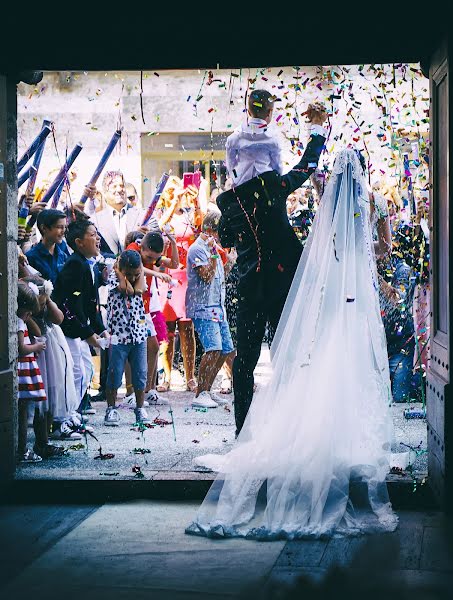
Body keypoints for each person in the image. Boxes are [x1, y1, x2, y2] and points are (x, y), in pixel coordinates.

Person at [186, 148, 398, 540]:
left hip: (257, 288)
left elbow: (236, 241)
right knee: (306, 360)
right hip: (313, 294)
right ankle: (338, 435)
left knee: (253, 364)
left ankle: (249, 433)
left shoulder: (232, 200)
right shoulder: (279, 188)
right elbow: (303, 174)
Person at [217, 103, 328, 436]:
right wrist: (318, 129)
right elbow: (306, 166)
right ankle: (287, 426)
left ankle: (243, 430)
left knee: (246, 362)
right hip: (280, 286)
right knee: (286, 355)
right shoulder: (274, 190)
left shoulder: (232, 202)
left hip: (249, 288)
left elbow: (225, 240)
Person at [52, 219, 110, 426]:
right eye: (93, 234)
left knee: (85, 371)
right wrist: (87, 333)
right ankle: (63, 419)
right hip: (68, 329)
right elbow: (69, 303)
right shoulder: (75, 264)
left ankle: (72, 412)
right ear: (79, 242)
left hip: (79, 329)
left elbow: (89, 303)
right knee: (73, 373)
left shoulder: (87, 264)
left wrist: (100, 330)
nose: (98, 239)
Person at [156, 177, 203, 392]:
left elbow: (200, 228)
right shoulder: (159, 214)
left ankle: (190, 376)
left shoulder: (188, 214)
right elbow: (160, 228)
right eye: (172, 189)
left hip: (186, 275)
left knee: (187, 327)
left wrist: (197, 202)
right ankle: (166, 376)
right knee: (167, 329)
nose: (177, 193)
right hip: (166, 275)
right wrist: (174, 204)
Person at [186, 212, 236, 408]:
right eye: (219, 231)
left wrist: (228, 261)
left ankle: (207, 389)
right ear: (210, 230)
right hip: (203, 308)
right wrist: (215, 255)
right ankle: (200, 394)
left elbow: (218, 275)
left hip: (218, 306)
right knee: (213, 349)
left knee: (224, 350)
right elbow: (206, 276)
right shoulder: (197, 249)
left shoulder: (213, 249)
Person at [127, 231, 179, 405]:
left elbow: (174, 264)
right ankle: (130, 392)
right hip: (130, 306)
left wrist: (172, 243)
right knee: (130, 350)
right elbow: (137, 267)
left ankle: (148, 390)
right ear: (142, 247)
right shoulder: (133, 249)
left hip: (145, 307)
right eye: (148, 256)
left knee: (154, 347)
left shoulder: (151, 255)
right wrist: (157, 274)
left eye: (154, 258)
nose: (151, 260)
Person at [17, 281, 64, 462]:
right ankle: (38, 442)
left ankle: (44, 439)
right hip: (34, 357)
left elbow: (59, 318)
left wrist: (48, 299)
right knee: (36, 402)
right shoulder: (22, 322)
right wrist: (29, 319)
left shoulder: (32, 311)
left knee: (50, 393)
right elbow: (33, 334)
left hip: (45, 351)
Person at [104, 250, 150, 425]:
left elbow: (138, 289)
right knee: (115, 372)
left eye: (135, 274)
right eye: (127, 274)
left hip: (138, 334)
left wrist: (137, 275)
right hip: (118, 335)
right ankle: (111, 408)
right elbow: (125, 289)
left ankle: (140, 407)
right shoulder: (113, 277)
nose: (131, 277)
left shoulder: (140, 277)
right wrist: (118, 273)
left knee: (140, 372)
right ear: (120, 269)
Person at [226, 89, 283, 187]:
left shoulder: (235, 138)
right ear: (270, 112)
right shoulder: (273, 140)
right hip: (265, 189)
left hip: (241, 188)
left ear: (248, 112)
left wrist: (236, 177)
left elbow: (230, 164)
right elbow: (277, 168)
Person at [26, 209, 70, 284]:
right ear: (44, 228)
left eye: (65, 227)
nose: (63, 231)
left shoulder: (63, 256)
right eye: (59, 227)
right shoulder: (31, 258)